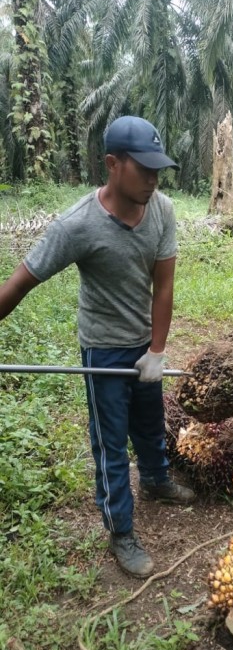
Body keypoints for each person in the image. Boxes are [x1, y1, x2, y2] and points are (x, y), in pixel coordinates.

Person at [0, 115, 195, 579]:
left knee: (150, 422)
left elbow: (163, 287)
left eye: (157, 170)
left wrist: (158, 351)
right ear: (112, 164)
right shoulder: (77, 226)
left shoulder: (162, 210)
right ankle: (121, 531)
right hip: (103, 350)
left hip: (143, 343)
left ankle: (155, 480)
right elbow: (21, 283)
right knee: (110, 444)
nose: (153, 179)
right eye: (143, 168)